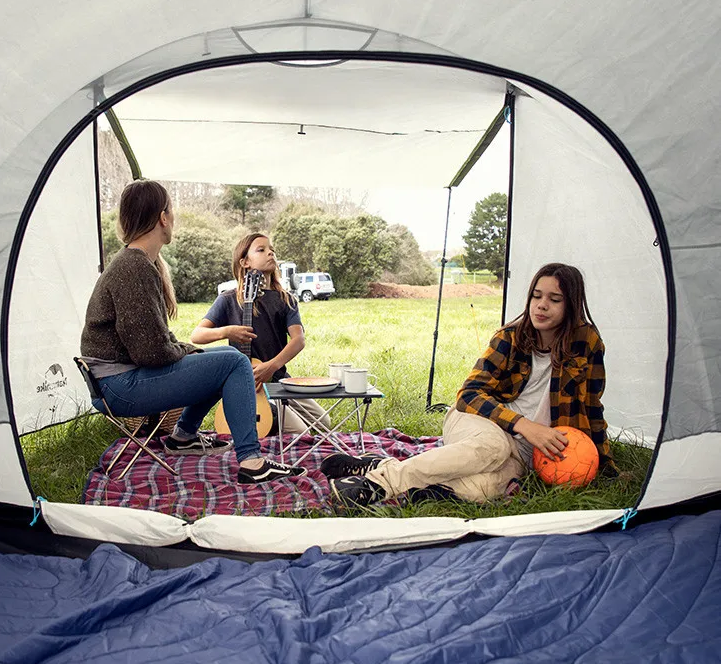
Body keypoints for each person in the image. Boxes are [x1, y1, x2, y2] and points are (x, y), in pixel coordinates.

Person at [321, 262, 614, 507]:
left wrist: (606, 466)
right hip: (477, 422)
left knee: (487, 487)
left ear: (572, 304)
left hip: (527, 451)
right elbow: (469, 395)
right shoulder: (510, 338)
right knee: (494, 447)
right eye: (536, 296)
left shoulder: (587, 343)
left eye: (555, 299)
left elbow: (592, 407)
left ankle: (384, 468)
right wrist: (524, 425)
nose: (541, 305)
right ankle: (379, 483)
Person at [79, 180, 305, 485]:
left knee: (223, 357)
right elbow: (151, 352)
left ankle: (183, 437)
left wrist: (192, 352)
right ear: (163, 217)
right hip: (119, 386)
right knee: (234, 362)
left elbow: (153, 344)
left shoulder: (137, 263)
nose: (173, 218)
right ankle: (252, 462)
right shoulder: (134, 267)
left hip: (116, 382)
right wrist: (191, 351)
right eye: (171, 211)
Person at [191, 232, 330, 434]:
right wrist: (227, 331)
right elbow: (197, 335)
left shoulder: (286, 299)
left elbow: (298, 340)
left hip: (277, 379)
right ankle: (267, 417)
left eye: (272, 249)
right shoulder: (228, 299)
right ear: (245, 262)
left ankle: (274, 414)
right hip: (244, 383)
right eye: (261, 250)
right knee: (301, 432)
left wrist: (271, 367)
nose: (270, 253)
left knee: (324, 421)